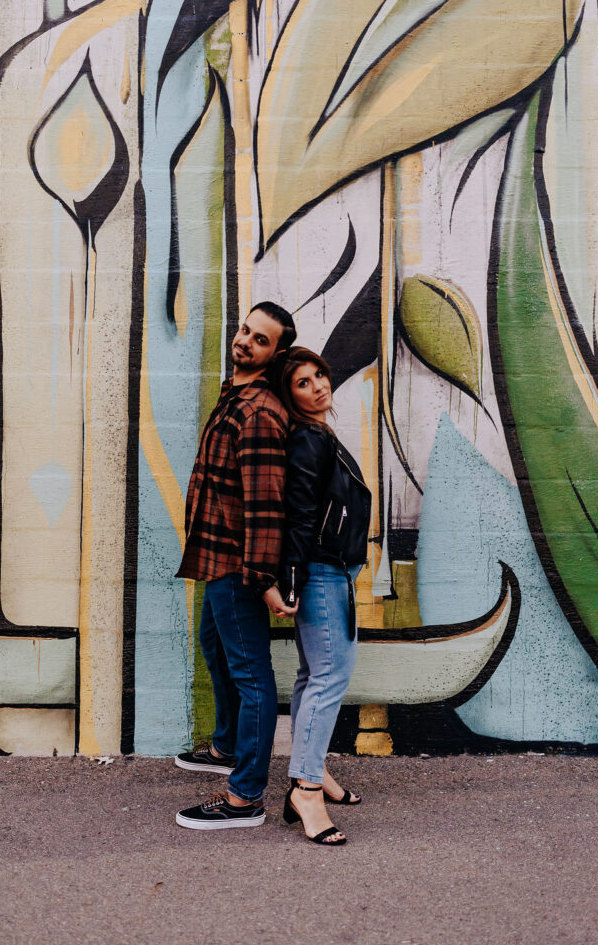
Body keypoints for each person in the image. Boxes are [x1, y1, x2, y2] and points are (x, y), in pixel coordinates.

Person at [174, 302, 298, 830]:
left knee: (252, 677)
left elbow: (266, 506)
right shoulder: (236, 395)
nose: (245, 340)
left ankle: (245, 796)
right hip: (215, 556)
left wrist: (263, 579)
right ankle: (227, 745)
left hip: (237, 565)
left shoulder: (259, 412)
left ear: (276, 354)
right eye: (245, 330)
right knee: (214, 647)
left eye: (261, 339)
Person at [266, 346, 371, 846]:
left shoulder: (318, 431)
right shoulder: (308, 437)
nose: (318, 387)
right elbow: (301, 517)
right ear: (290, 396)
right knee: (330, 677)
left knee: (315, 675)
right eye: (303, 383)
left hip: (330, 570)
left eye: (320, 376)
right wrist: (289, 581)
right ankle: (305, 791)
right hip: (323, 573)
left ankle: (314, 770)